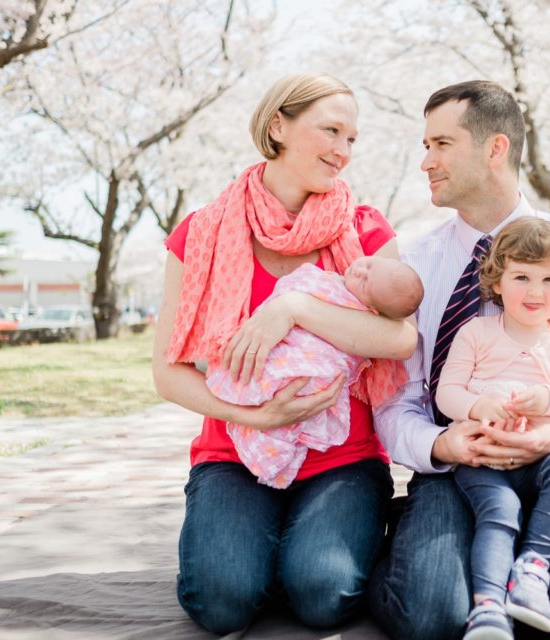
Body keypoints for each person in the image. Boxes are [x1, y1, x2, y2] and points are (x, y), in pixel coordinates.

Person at [368, 80, 550, 640]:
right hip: (457, 470)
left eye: (440, 144)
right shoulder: (410, 264)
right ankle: (423, 551)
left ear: (495, 148)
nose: (425, 161)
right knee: (429, 617)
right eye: (425, 145)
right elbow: (394, 398)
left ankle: (525, 567)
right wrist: (440, 444)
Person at [151, 73, 417, 635]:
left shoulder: (363, 230)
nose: (343, 151)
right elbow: (168, 374)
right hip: (234, 451)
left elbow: (398, 339)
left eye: (352, 139)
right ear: (279, 126)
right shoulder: (200, 233)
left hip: (342, 456)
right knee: (220, 603)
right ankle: (264, 548)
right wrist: (257, 416)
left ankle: (324, 544)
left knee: (323, 596)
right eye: (331, 131)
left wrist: (290, 309)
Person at [436, 217, 550, 639]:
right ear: (497, 282)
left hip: (545, 458)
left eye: (549, 279)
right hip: (484, 456)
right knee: (499, 513)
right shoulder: (476, 332)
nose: (536, 292)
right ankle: (487, 610)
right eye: (522, 277)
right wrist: (481, 405)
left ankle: (533, 569)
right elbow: (448, 394)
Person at [205, 257, 423, 488]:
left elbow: (401, 340)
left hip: (344, 461)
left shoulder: (358, 292)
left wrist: (296, 308)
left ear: (373, 310)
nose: (360, 271)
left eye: (366, 284)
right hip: (226, 459)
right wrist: (255, 417)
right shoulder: (212, 233)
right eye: (369, 265)